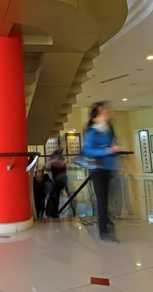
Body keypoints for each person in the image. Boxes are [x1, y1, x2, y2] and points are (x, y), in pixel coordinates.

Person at [82, 102, 121, 243]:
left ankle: (106, 223)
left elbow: (113, 144)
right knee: (102, 200)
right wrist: (107, 150)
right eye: (102, 112)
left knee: (108, 198)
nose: (105, 114)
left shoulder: (109, 128)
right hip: (97, 168)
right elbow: (88, 150)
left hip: (109, 167)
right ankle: (103, 230)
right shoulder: (92, 131)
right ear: (95, 117)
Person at [48, 148, 76, 216]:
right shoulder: (60, 159)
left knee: (55, 196)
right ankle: (72, 210)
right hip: (61, 181)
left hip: (58, 181)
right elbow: (63, 171)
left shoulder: (54, 159)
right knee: (58, 196)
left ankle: (54, 213)